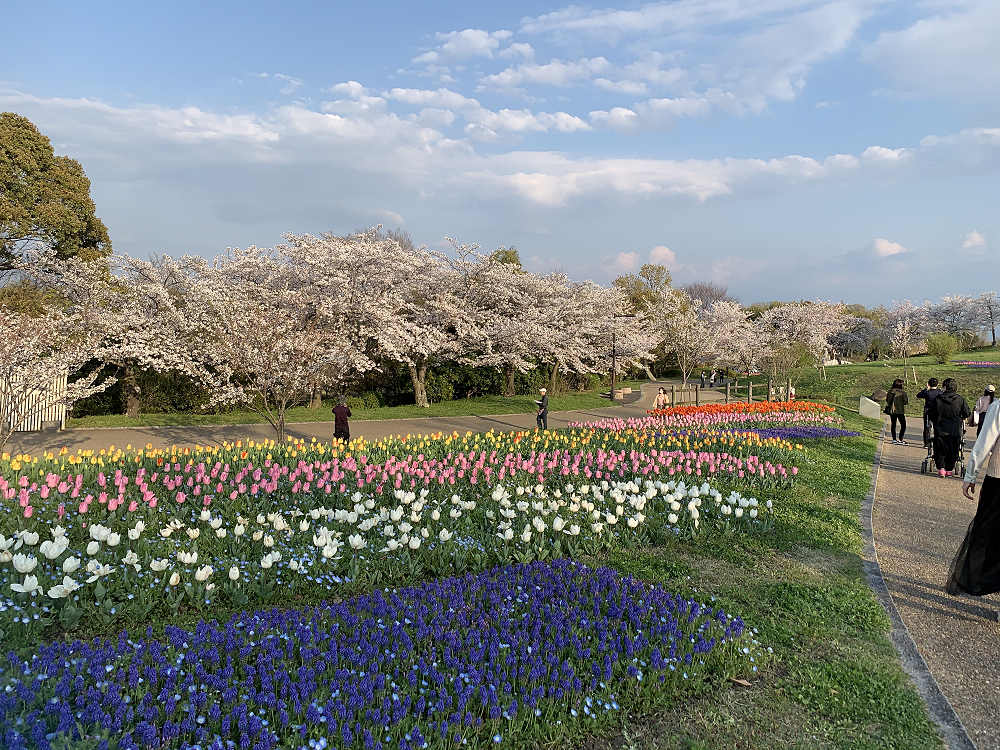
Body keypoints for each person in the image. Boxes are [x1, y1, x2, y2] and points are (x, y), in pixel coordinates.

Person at [949, 395, 1000, 598]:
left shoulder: (998, 407)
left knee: (989, 536)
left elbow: (983, 444)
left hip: (998, 482)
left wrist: (970, 475)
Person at [928, 378, 971, 478]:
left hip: (940, 429)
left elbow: (931, 413)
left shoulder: (938, 399)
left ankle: (941, 469)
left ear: (944, 387)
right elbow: (967, 413)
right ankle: (949, 469)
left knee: (939, 449)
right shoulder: (960, 399)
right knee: (953, 449)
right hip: (955, 429)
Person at [916, 377, 944, 448]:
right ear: (937, 384)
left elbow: (918, 395)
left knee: (927, 428)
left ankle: (927, 443)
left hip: (928, 411)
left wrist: (926, 389)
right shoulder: (940, 392)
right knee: (937, 428)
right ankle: (937, 443)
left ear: (928, 384)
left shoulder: (927, 392)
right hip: (937, 412)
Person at [884, 378, 909, 445]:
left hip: (892, 411)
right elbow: (906, 402)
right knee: (903, 425)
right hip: (900, 410)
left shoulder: (890, 391)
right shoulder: (903, 392)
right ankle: (901, 439)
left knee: (893, 424)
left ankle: (894, 439)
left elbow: (887, 400)